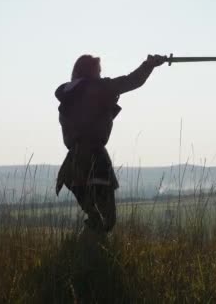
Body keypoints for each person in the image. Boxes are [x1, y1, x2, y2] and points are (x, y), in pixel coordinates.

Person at [55, 54, 166, 233]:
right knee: (108, 219)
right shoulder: (97, 89)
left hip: (74, 160)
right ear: (91, 72)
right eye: (98, 71)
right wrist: (150, 64)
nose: (100, 74)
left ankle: (88, 248)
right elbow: (132, 81)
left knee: (94, 215)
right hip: (95, 158)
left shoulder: (68, 95)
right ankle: (94, 252)